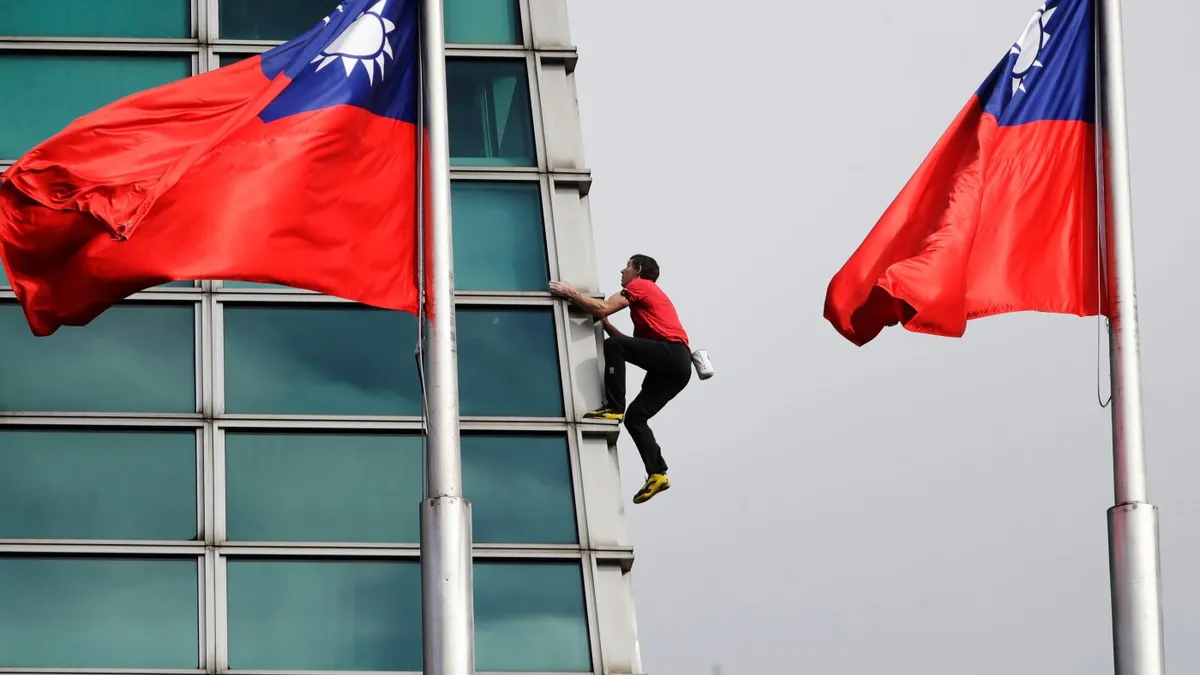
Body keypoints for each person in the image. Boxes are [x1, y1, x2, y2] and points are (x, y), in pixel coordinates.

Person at [549, 254, 692, 504]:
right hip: (677, 368)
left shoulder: (640, 285)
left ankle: (614, 407)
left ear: (637, 270)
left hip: (672, 354)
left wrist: (570, 293)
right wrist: (604, 323)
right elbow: (623, 338)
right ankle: (657, 473)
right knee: (636, 417)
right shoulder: (647, 304)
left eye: (627, 266)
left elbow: (604, 309)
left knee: (613, 346)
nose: (622, 271)